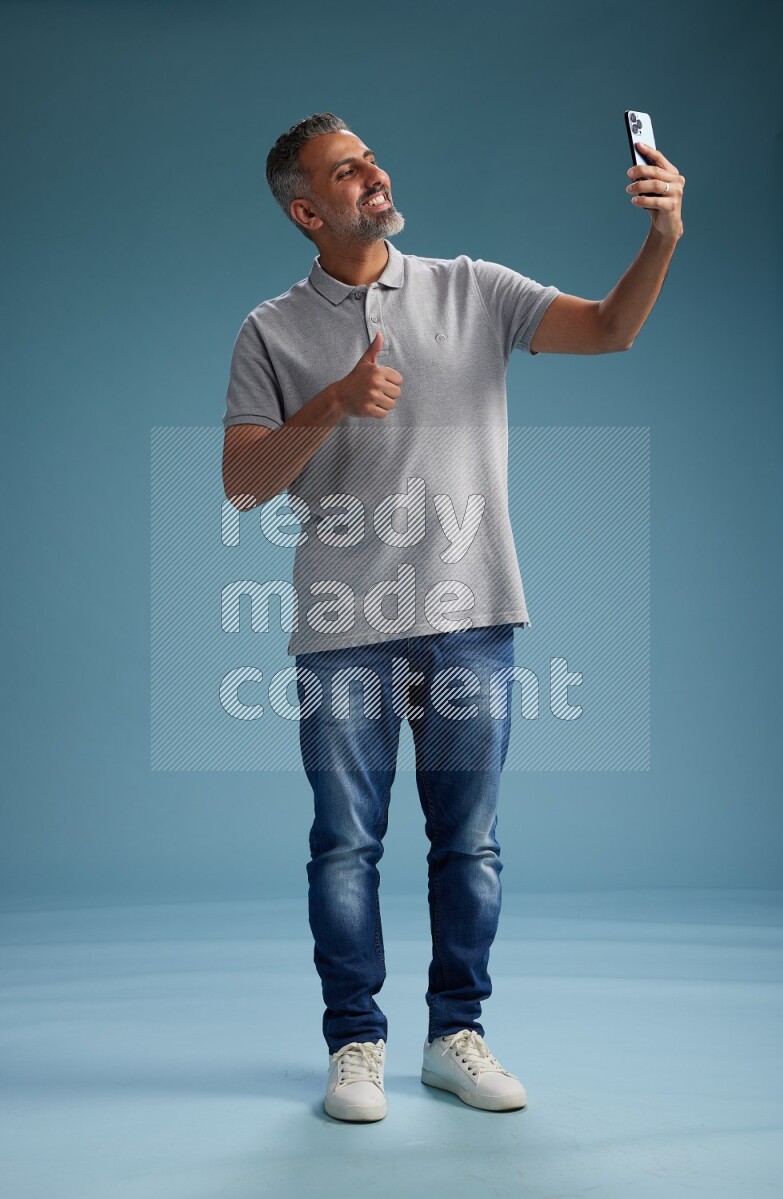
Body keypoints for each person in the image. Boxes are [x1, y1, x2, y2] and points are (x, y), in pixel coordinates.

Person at [221, 112, 685, 1123]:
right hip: (342, 624)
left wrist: (660, 237)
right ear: (307, 211)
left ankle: (452, 1034)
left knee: (466, 843)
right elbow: (243, 482)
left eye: (371, 157)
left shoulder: (472, 287)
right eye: (346, 172)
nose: (373, 174)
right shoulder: (269, 330)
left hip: (471, 612)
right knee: (345, 843)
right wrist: (334, 402)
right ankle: (354, 1042)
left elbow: (609, 328)